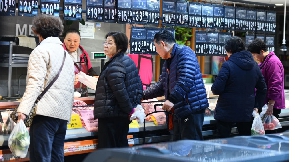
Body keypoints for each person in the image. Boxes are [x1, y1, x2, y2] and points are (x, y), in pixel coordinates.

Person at [17, 15, 75, 162]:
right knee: (57, 157)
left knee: (41, 158)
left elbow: (35, 84)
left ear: (37, 31)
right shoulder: (66, 55)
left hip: (45, 115)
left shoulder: (40, 51)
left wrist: (23, 111)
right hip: (62, 115)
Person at [143, 30, 209, 141]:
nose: (156, 51)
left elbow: (185, 78)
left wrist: (172, 99)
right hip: (179, 110)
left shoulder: (185, 53)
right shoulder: (168, 60)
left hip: (191, 109)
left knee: (191, 146)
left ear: (163, 44)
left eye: (155, 47)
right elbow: (161, 86)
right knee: (179, 147)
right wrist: (142, 95)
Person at [93, 32, 143, 148]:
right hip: (120, 116)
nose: (105, 45)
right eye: (105, 42)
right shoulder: (127, 61)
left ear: (119, 46)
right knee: (120, 148)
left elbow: (120, 92)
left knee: (109, 152)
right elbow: (138, 86)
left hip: (112, 117)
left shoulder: (116, 65)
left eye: (110, 43)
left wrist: (130, 110)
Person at [211, 36, 267, 138]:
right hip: (246, 113)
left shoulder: (227, 65)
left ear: (230, 50)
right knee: (244, 145)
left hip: (226, 113)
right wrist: (257, 105)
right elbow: (263, 88)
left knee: (224, 146)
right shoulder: (254, 66)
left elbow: (216, 89)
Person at [247, 38, 285, 131]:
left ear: (261, 51)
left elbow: (275, 84)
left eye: (254, 55)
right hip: (264, 104)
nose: (254, 58)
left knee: (268, 134)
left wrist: (271, 104)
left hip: (270, 105)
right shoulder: (264, 62)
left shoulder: (273, 62)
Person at [63, 28, 98, 97]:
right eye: (69, 40)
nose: (72, 44)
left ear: (79, 41)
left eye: (75, 41)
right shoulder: (59, 53)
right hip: (65, 91)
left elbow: (90, 70)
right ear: (64, 40)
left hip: (82, 91)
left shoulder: (84, 54)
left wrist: (96, 78)